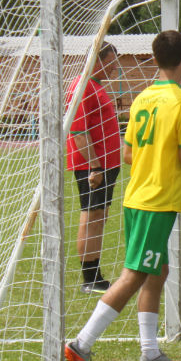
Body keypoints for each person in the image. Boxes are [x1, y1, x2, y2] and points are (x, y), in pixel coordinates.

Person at [64, 31, 181, 361]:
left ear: (154, 61)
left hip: (136, 196)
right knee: (134, 275)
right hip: (157, 199)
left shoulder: (142, 99)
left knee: (159, 271)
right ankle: (81, 343)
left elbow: (127, 153)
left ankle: (150, 353)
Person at [66, 43, 122, 294]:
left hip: (105, 165)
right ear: (98, 61)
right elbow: (78, 132)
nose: (114, 68)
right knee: (91, 216)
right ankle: (90, 279)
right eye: (111, 63)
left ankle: (96, 276)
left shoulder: (95, 86)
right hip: (93, 167)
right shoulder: (84, 86)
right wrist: (95, 166)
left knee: (99, 216)